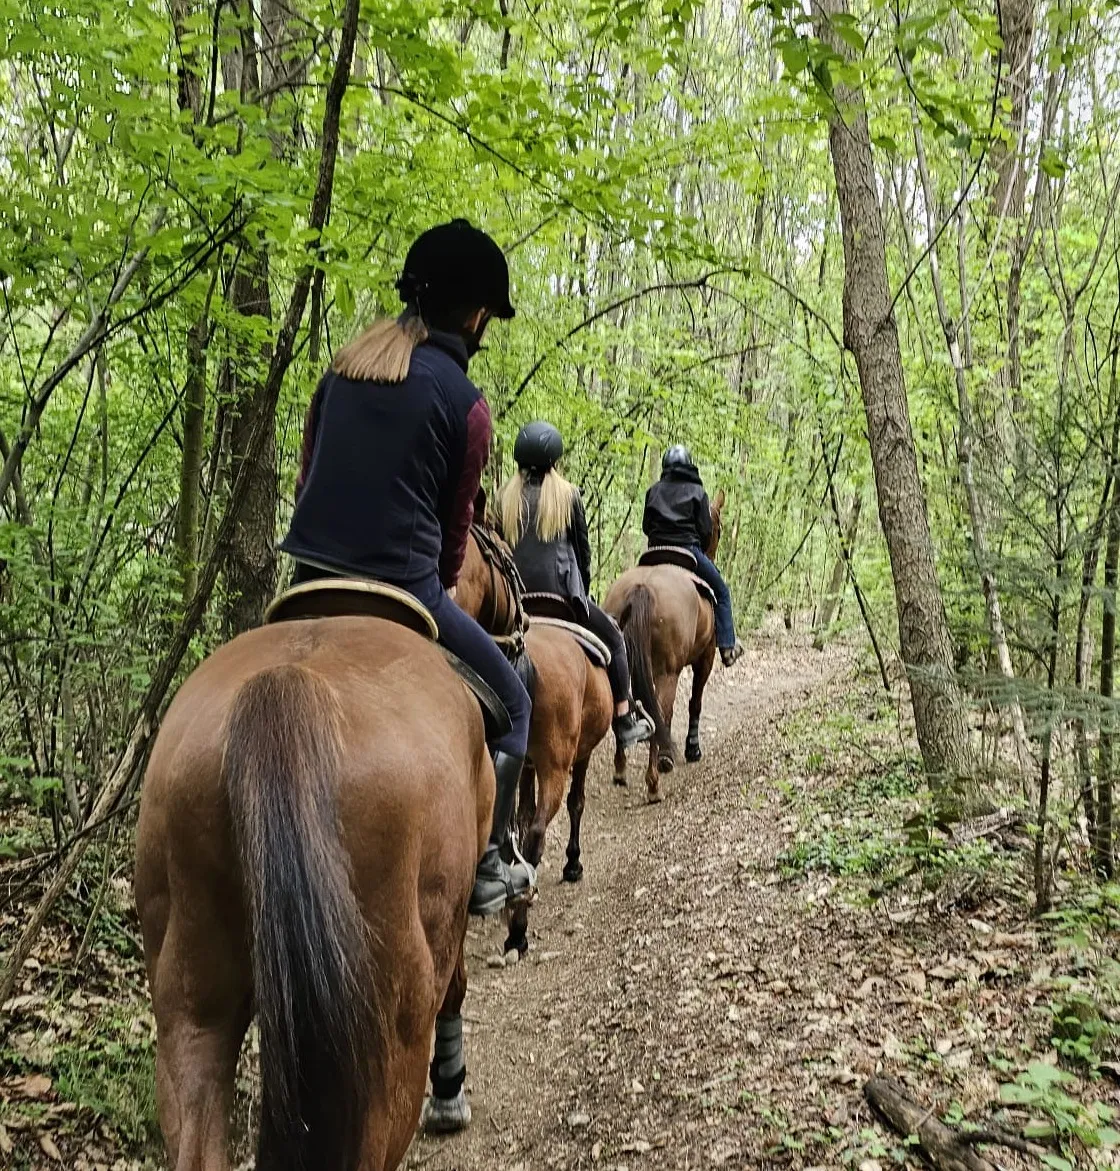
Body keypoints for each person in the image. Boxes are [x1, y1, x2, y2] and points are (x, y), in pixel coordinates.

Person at [280, 218, 534, 918]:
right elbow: (453, 546)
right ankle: (490, 860)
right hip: (406, 588)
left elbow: (305, 482)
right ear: (476, 315)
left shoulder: (343, 369)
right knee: (517, 703)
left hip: (307, 583)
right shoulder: (466, 405)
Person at [497, 422, 656, 751]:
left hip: (516, 604)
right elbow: (583, 554)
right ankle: (624, 719)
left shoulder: (504, 499)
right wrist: (583, 592)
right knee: (615, 639)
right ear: (554, 461)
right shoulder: (568, 496)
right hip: (561, 600)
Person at [643, 445, 744, 667]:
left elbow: (646, 527)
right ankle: (727, 646)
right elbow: (706, 531)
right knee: (722, 592)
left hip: (654, 552)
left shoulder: (653, 491)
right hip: (688, 551)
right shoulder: (698, 492)